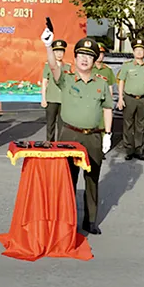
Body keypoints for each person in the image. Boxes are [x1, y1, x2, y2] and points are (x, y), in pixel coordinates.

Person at [43, 32, 113, 235]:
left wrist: (107, 134)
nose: (84, 59)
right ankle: (66, 219)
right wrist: (48, 46)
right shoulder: (66, 79)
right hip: (69, 135)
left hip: (93, 137)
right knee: (67, 179)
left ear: (94, 59)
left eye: (89, 56)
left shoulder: (101, 83)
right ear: (74, 58)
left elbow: (107, 108)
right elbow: (54, 67)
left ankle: (90, 221)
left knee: (92, 179)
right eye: (81, 55)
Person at [117, 39, 144, 161]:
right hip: (129, 98)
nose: (139, 52)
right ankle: (129, 149)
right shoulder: (127, 66)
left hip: (143, 99)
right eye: (136, 50)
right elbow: (121, 81)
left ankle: (139, 150)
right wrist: (120, 98)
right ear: (133, 52)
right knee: (128, 124)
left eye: (141, 50)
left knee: (140, 125)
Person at [41, 39, 69, 142]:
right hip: (51, 99)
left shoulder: (67, 67)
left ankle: (60, 145)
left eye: (61, 51)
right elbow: (44, 82)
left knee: (62, 125)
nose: (59, 54)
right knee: (50, 124)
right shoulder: (48, 66)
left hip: (63, 100)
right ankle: (49, 144)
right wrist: (43, 98)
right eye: (56, 51)